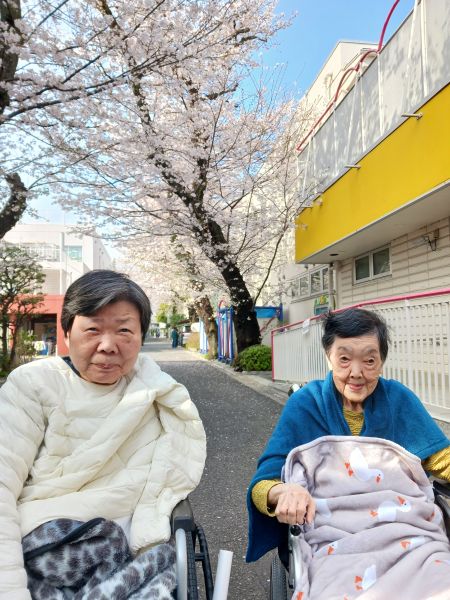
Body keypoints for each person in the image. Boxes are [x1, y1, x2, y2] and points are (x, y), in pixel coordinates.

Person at [0, 270, 206, 597]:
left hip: (129, 543)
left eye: (124, 330)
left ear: (141, 336)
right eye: (93, 329)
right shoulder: (33, 386)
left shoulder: (156, 392)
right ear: (67, 331)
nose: (108, 346)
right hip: (46, 537)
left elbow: (170, 475)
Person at [247, 308, 450, 562]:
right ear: (328, 357)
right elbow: (262, 485)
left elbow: (441, 458)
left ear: (381, 362)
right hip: (333, 542)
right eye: (344, 359)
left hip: (404, 534)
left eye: (369, 361)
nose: (356, 372)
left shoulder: (399, 399)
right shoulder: (306, 404)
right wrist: (283, 492)